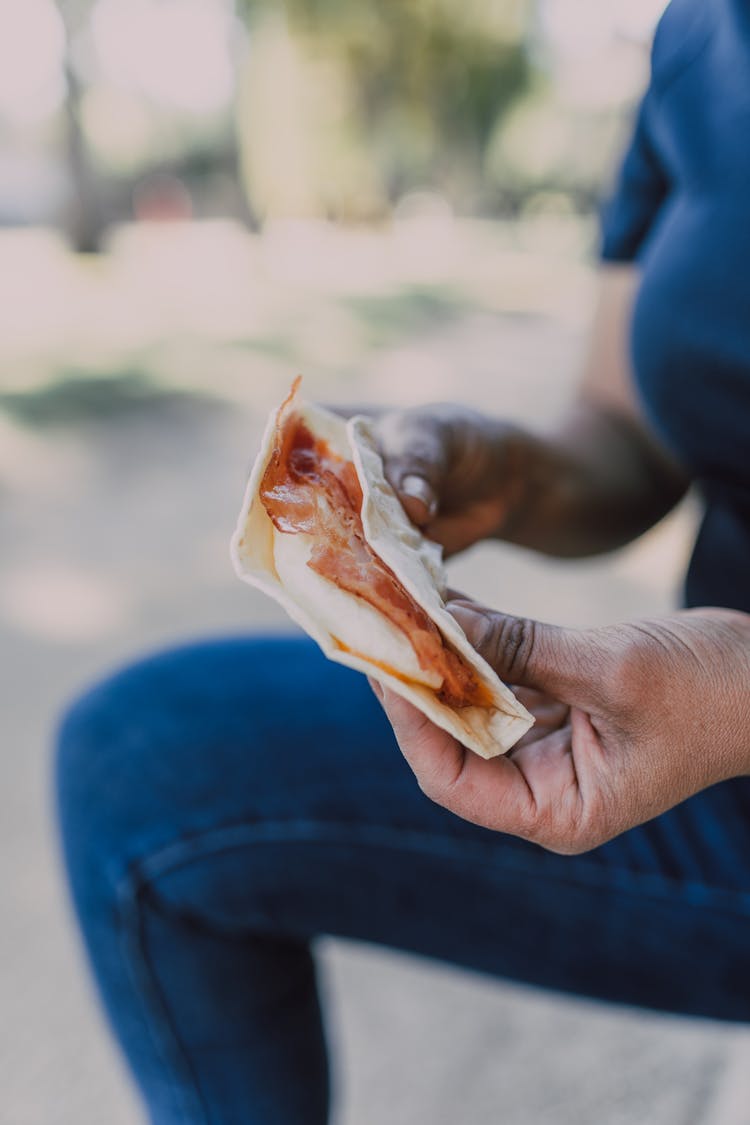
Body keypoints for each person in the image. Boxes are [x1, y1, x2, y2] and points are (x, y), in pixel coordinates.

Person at [56, 1, 750, 1121]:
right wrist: (510, 474)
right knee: (140, 764)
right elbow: (629, 435)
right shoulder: (704, 39)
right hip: (711, 771)